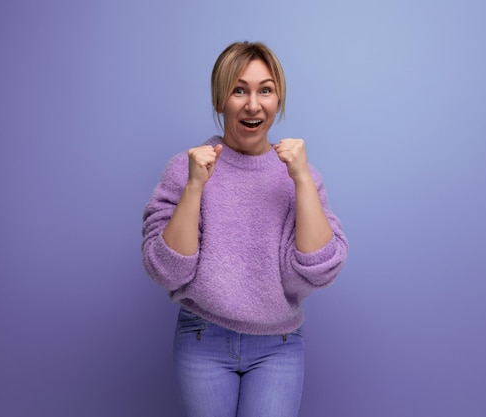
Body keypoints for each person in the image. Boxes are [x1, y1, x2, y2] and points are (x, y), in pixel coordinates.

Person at [142, 41, 348, 417]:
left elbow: (320, 269)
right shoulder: (185, 170)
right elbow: (167, 270)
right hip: (201, 338)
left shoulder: (300, 175)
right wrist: (194, 188)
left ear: (278, 99)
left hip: (279, 345)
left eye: (265, 90)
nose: (253, 105)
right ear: (220, 99)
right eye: (239, 90)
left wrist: (301, 179)